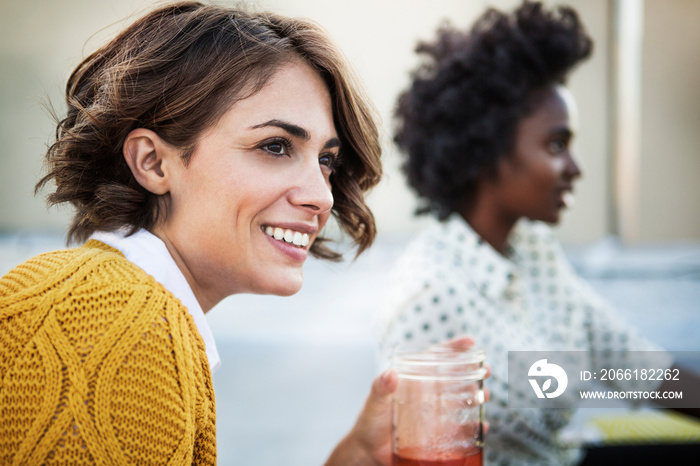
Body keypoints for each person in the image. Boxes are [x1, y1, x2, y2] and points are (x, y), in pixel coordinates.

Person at [0, 2, 400, 463]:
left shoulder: (121, 306)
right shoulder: (119, 318)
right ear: (152, 162)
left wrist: (356, 458)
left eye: (326, 160)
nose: (322, 196)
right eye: (275, 146)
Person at [378, 1, 699, 465]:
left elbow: (630, 364)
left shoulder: (533, 251)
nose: (576, 168)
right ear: (488, 152)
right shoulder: (429, 297)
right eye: (556, 145)